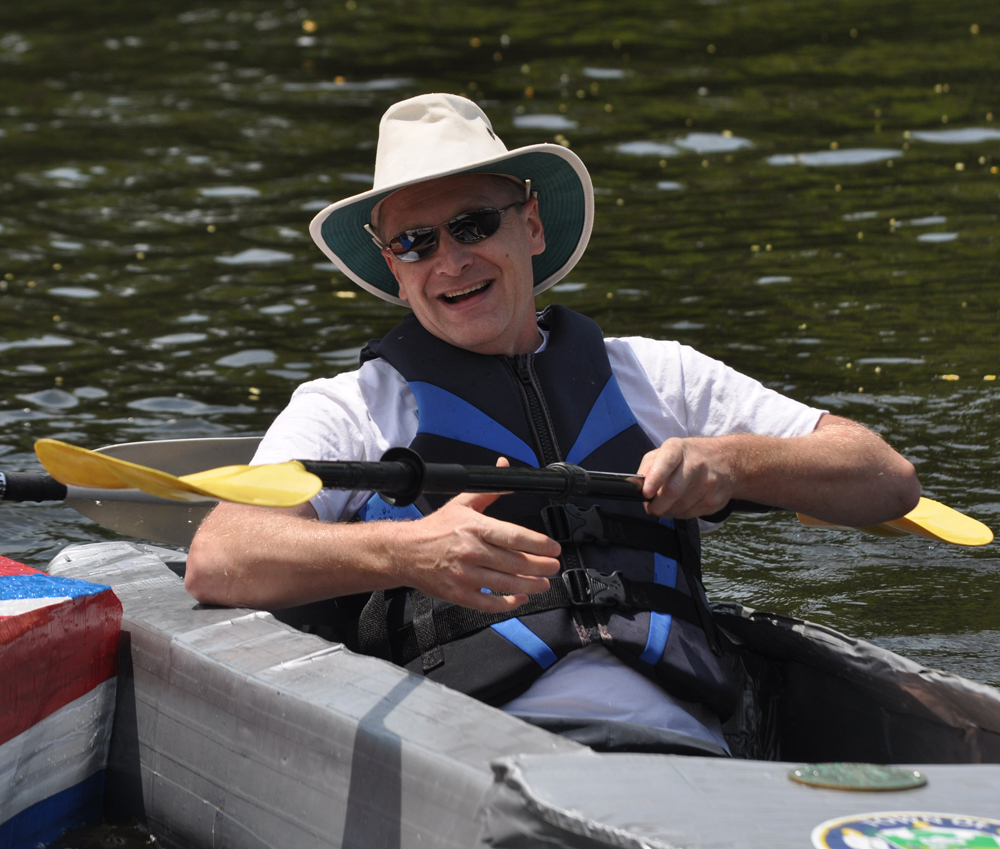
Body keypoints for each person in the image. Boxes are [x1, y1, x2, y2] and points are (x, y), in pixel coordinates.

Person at [186, 93, 920, 755]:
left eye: (474, 224)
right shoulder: (349, 406)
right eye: (417, 242)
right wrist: (407, 550)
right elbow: (221, 555)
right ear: (393, 265)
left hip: (687, 763)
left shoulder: (660, 376)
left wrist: (736, 463)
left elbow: (884, 480)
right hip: (475, 762)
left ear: (531, 226)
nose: (450, 260)